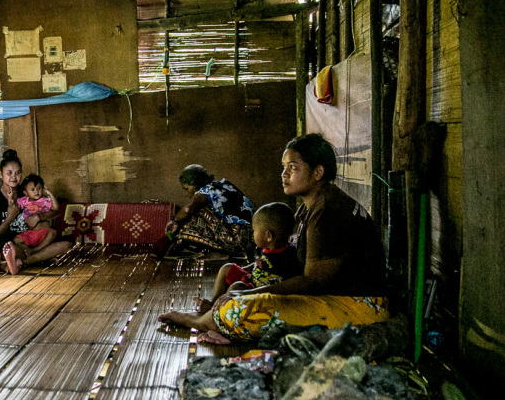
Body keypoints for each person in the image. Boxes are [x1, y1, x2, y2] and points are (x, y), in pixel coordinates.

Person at [158, 134, 389, 343]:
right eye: (284, 167)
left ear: (318, 172)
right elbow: (290, 263)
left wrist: (249, 293)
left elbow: (313, 283)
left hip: (359, 307)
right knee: (237, 294)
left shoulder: (327, 211)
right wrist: (250, 280)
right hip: (335, 299)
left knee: (235, 310)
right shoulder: (311, 207)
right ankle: (212, 318)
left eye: (293, 168)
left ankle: (202, 322)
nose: (284, 174)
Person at [193, 202, 301, 313]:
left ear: (268, 236)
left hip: (261, 292)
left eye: (255, 230)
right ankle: (214, 303)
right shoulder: (263, 247)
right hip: (252, 281)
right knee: (227, 268)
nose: (252, 233)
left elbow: (286, 286)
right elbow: (258, 264)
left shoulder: (287, 256)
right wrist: (244, 270)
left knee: (236, 288)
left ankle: (219, 312)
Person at [0, 149, 73, 274]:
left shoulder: (27, 191)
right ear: (0, 174)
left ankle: (22, 262)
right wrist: (10, 217)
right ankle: (37, 259)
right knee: (7, 248)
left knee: (67, 244)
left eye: (17, 173)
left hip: (33, 241)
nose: (14, 177)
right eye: (9, 173)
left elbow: (54, 211)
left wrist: (39, 217)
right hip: (10, 243)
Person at [162, 164, 255, 258]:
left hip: (238, 239)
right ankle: (214, 250)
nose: (186, 193)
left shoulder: (207, 190)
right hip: (252, 238)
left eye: (187, 189)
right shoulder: (223, 185)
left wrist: (174, 221)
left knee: (198, 211)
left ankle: (215, 251)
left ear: (195, 183)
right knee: (197, 218)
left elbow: (187, 210)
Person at [13, 174, 57, 253]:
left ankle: (36, 250)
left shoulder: (45, 201)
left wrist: (50, 194)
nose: (37, 191)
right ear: (25, 192)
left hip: (42, 232)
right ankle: (29, 251)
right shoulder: (23, 200)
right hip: (29, 233)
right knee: (16, 240)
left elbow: (56, 208)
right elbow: (13, 207)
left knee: (53, 233)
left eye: (39, 188)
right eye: (32, 189)